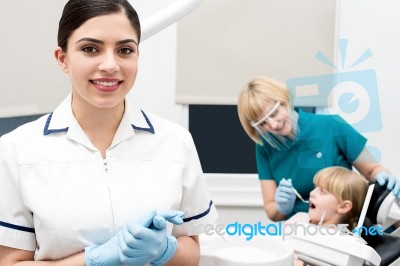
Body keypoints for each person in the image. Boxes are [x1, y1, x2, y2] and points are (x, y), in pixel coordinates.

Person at [0, 0, 217, 265]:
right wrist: (94, 259)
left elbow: (192, 251)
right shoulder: (17, 150)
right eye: (90, 49)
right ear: (63, 59)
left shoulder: (175, 141)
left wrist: (165, 250)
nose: (110, 65)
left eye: (125, 50)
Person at [237, 76, 400, 222]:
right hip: (301, 229)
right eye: (263, 123)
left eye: (274, 113)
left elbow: (372, 169)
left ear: (285, 100)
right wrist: (282, 207)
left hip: (342, 226)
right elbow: (271, 211)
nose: (273, 124)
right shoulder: (265, 148)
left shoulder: (332, 125)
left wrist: (382, 174)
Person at [286, 166, 368, 231]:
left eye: (322, 191)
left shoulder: (342, 244)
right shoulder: (299, 219)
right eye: (315, 188)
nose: (312, 193)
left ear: (343, 207)